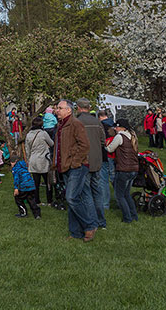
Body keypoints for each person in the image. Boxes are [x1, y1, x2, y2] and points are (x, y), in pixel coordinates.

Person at [54, 99, 94, 241]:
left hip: (77, 166)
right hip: (65, 166)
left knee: (71, 198)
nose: (57, 110)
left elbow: (85, 145)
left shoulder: (76, 124)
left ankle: (89, 226)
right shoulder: (61, 125)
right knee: (73, 199)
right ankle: (75, 232)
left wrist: (75, 162)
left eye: (60, 108)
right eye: (57, 108)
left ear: (68, 110)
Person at [76, 98, 107, 231]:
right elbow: (103, 141)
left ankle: (91, 222)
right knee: (97, 192)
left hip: (84, 161)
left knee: (86, 193)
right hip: (97, 161)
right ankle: (101, 221)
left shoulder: (77, 122)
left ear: (78, 107)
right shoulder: (97, 122)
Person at [105, 118, 138, 223]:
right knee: (127, 194)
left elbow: (110, 149)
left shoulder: (119, 136)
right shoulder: (132, 136)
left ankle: (127, 217)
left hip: (123, 169)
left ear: (121, 127)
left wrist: (103, 145)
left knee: (119, 196)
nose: (115, 128)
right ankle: (134, 215)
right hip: (134, 168)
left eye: (116, 126)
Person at [23, 116, 54, 207]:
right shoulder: (43, 134)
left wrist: (28, 160)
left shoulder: (28, 135)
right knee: (48, 182)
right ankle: (49, 200)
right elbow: (52, 143)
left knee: (36, 183)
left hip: (33, 160)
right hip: (43, 160)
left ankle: (37, 201)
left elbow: (27, 149)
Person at [97, 110, 115, 211]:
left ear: (99, 117)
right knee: (114, 179)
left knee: (103, 181)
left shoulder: (100, 126)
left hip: (103, 155)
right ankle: (121, 201)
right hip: (113, 156)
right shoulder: (114, 125)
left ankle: (105, 204)